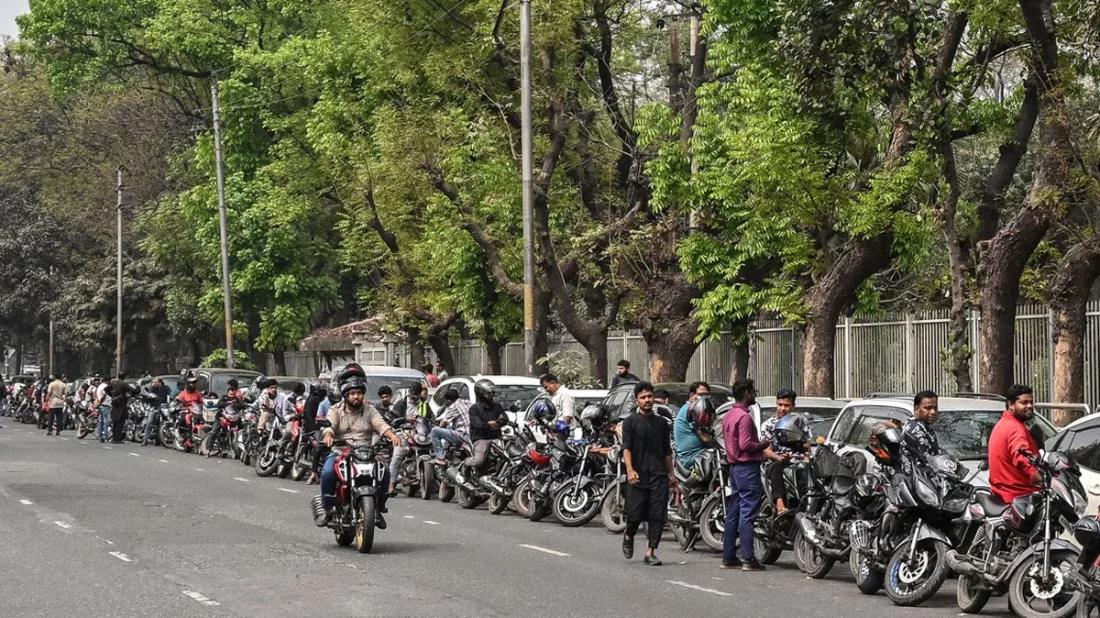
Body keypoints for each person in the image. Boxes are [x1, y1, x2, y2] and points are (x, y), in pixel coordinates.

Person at [314, 376, 402, 528]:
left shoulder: (370, 409)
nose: (356, 396)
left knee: (385, 472)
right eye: (352, 393)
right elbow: (329, 426)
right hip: (340, 450)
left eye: (359, 393)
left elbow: (381, 425)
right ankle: (327, 509)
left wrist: (392, 436)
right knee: (327, 472)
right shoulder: (336, 410)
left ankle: (378, 508)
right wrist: (328, 436)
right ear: (346, 394)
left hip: (365, 451)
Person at [620, 381, 675, 566]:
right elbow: (626, 448)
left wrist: (672, 474)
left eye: (650, 397)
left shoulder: (661, 424)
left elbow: (667, 451)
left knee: (657, 515)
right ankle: (629, 535)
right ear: (637, 400)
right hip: (637, 476)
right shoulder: (630, 422)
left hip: (658, 475)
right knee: (635, 514)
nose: (647, 400)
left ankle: (650, 552)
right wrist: (630, 469)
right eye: (643, 397)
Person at [722, 378, 769, 571]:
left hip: (734, 468)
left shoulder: (729, 415)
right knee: (748, 512)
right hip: (747, 467)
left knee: (734, 510)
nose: (755, 393)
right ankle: (748, 558)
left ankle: (729, 556)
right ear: (747, 393)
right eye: (753, 390)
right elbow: (745, 444)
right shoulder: (744, 418)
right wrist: (763, 445)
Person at [989, 384, 1043, 503]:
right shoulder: (1015, 429)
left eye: (1031, 402)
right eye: (1024, 403)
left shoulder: (1003, 423)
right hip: (1019, 497)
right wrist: (1037, 476)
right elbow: (1022, 457)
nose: (1029, 406)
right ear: (1011, 405)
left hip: (1003, 496)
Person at [759, 389, 809, 514]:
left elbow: (807, 444)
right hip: (775, 463)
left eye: (786, 405)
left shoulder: (800, 423)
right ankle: (780, 504)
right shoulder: (769, 425)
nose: (782, 408)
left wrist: (805, 454)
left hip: (798, 463)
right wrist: (779, 458)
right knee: (777, 466)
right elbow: (766, 450)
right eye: (780, 404)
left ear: (793, 406)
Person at [387, 382, 432, 494]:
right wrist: (406, 419)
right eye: (414, 394)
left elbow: (431, 418)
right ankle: (390, 485)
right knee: (398, 455)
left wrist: (435, 423)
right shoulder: (402, 404)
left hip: (420, 433)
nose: (415, 397)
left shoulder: (424, 404)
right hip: (403, 432)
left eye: (417, 394)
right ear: (410, 392)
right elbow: (392, 419)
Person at [465, 379, 508, 476]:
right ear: (480, 393)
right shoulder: (474, 409)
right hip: (482, 439)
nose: (491, 395)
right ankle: (466, 464)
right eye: (488, 393)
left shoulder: (497, 406)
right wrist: (495, 423)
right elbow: (479, 425)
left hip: (497, 438)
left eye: (492, 393)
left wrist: (490, 423)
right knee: (479, 460)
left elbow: (505, 419)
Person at [673, 382, 715, 470]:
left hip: (700, 453)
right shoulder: (691, 411)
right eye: (701, 394)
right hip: (692, 456)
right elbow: (705, 438)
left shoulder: (701, 410)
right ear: (692, 395)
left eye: (707, 395)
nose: (705, 398)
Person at [902, 390, 943, 479]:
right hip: (919, 481)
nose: (933, 412)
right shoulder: (915, 429)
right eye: (928, 408)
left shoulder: (925, 426)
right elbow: (927, 458)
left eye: (935, 408)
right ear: (917, 409)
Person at [431, 388, 470, 465]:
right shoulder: (468, 402)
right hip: (474, 434)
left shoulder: (453, 407)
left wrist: (441, 423)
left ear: (448, 400)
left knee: (435, 431)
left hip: (463, 436)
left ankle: (441, 457)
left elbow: (442, 425)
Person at [106, 375, 136, 444]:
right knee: (120, 421)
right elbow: (132, 390)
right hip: (121, 404)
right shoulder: (123, 384)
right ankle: (116, 438)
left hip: (114, 403)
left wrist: (112, 395)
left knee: (115, 421)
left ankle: (114, 437)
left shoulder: (113, 383)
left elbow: (106, 389)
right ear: (124, 377)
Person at [93, 375, 111, 442]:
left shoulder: (99, 386)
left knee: (101, 421)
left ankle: (100, 435)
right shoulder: (105, 387)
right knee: (106, 421)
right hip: (105, 405)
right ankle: (105, 435)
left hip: (100, 405)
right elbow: (103, 395)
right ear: (108, 380)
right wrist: (100, 402)